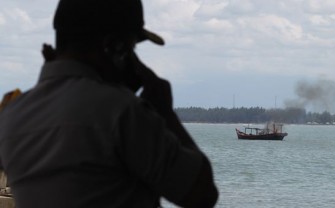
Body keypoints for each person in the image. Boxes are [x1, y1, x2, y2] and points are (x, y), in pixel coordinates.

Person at [0, 0, 218, 207]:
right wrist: (164, 111)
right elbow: (202, 195)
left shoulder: (11, 116)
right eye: (131, 49)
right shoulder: (122, 112)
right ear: (114, 47)